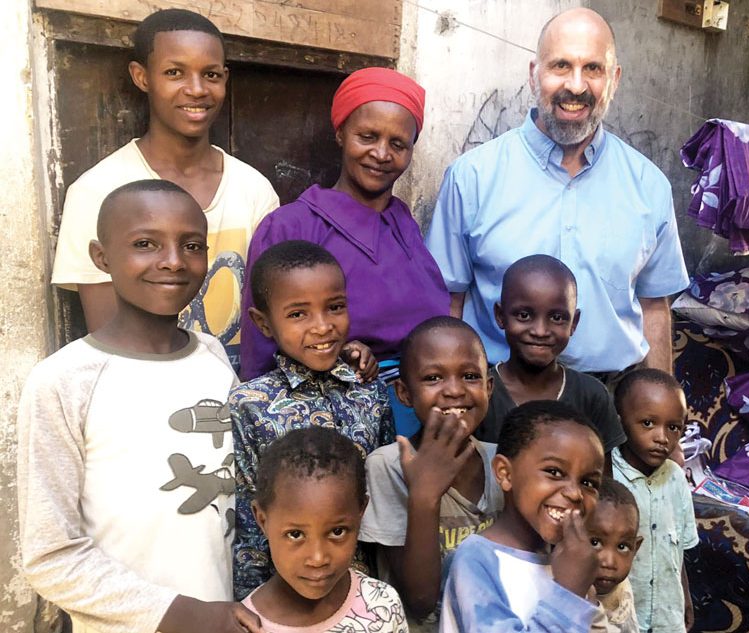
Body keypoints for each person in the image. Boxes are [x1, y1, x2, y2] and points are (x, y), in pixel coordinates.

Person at [17, 180, 260, 633]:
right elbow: (51, 556)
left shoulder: (212, 358)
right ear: (101, 256)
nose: (173, 260)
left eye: (191, 245)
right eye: (145, 244)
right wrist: (183, 614)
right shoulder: (65, 381)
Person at [425, 7, 688, 380]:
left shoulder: (649, 186)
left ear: (614, 79)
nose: (577, 86)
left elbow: (654, 307)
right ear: (534, 74)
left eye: (593, 68)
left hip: (612, 399)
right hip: (499, 396)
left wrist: (661, 403)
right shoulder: (471, 178)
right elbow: (448, 302)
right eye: (561, 66)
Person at [51, 8, 279, 372]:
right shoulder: (96, 191)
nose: (197, 89)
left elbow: (272, 309)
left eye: (211, 74)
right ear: (141, 77)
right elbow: (110, 344)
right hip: (142, 391)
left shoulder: (254, 189)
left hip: (241, 391)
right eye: (175, 72)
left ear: (225, 79)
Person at [240, 67, 450, 436]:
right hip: (331, 422)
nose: (381, 154)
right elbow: (260, 353)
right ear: (340, 133)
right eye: (367, 136)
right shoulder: (291, 227)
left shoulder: (404, 224)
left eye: (398, 144)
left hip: (424, 417)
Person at [231, 240, 395, 600]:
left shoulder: (369, 391)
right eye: (298, 314)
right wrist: (252, 608)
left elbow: (385, 500)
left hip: (364, 595)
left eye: (334, 307)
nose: (322, 327)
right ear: (263, 323)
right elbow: (248, 521)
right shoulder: (250, 405)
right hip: (285, 594)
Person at [359, 317, 502, 630]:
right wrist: (424, 495)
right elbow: (420, 602)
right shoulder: (388, 466)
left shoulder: (501, 463)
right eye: (433, 378)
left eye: (469, 376)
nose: (454, 390)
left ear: (488, 387)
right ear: (404, 393)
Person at [439, 400, 605, 632]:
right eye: (554, 472)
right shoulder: (477, 559)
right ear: (505, 474)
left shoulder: (569, 562)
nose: (575, 493)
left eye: (588, 483)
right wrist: (569, 593)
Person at [242, 426, 408, 632]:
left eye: (337, 532)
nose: (318, 558)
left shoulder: (382, 605)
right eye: (295, 534)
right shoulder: (244, 626)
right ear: (262, 520)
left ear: (361, 512)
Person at [477, 254, 626, 461]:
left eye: (557, 318)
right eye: (524, 315)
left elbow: (602, 478)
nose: (540, 331)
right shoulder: (480, 394)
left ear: (574, 323)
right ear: (500, 316)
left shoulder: (591, 396)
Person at [611, 369, 698, 632]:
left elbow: (678, 551)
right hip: (620, 617)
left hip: (667, 617)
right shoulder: (607, 476)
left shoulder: (676, 479)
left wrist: (685, 597)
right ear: (620, 421)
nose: (662, 438)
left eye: (673, 427)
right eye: (648, 423)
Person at [587, 479, 643, 633]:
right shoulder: (558, 593)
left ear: (635, 549)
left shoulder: (623, 589)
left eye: (622, 547)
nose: (609, 562)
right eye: (595, 542)